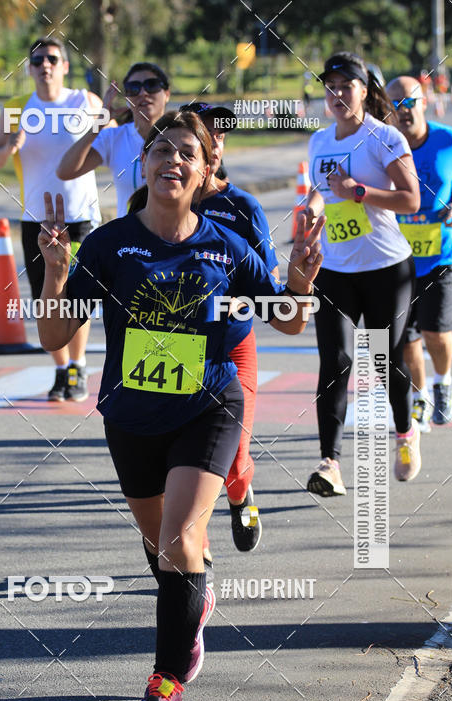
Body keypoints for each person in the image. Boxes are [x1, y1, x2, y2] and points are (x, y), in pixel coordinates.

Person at [36, 110, 325, 701]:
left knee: (176, 540)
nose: (172, 159)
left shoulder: (227, 246)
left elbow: (287, 318)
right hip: (133, 415)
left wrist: (300, 276)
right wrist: (56, 277)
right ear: (144, 166)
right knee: (159, 544)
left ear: (204, 170)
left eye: (185, 152)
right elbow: (55, 335)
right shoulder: (110, 245)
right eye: (161, 149)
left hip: (209, 408)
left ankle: (165, 684)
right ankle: (194, 596)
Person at [304, 52, 421, 496]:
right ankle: (330, 462)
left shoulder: (384, 137)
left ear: (365, 90)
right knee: (333, 361)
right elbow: (320, 193)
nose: (336, 95)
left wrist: (360, 192)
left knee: (381, 359)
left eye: (345, 85)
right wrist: (309, 214)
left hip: (386, 268)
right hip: (334, 268)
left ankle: (405, 433)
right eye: (330, 87)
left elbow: (411, 199)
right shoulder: (319, 141)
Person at [180, 101, 281, 554]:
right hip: (173, 347)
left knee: (235, 455)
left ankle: (242, 495)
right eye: (206, 134)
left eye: (221, 136)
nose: (216, 143)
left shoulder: (242, 207)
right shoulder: (151, 201)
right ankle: (191, 545)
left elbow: (269, 287)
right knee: (180, 453)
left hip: (231, 344)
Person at [0, 37, 102, 402]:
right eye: (37, 60)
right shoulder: (17, 109)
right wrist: (8, 147)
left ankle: (78, 366)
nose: (44, 65)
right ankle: (61, 368)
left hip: (80, 216)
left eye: (52, 58)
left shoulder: (84, 101)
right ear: (30, 68)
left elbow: (113, 142)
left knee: (77, 296)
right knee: (46, 301)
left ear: (64, 66)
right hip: (36, 219)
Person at [386, 75, 452, 429]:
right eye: (395, 105)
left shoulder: (451, 140)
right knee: (404, 338)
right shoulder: (383, 145)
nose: (403, 111)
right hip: (396, 260)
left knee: (435, 330)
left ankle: (443, 382)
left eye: (409, 103)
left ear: (424, 102)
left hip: (442, 256)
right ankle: (420, 395)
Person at [56, 62, 170, 218]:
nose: (143, 93)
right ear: (127, 98)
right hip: (127, 239)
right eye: (134, 88)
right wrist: (98, 124)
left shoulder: (181, 138)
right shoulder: (114, 138)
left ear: (167, 94)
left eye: (152, 85)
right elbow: (65, 171)